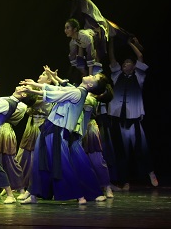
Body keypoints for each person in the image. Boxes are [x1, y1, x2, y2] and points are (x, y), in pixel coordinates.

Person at [20, 67, 111, 204]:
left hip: (58, 129)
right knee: (40, 161)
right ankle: (34, 194)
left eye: (93, 77)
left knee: (62, 163)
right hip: (51, 126)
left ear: (91, 84)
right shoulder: (77, 90)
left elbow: (56, 94)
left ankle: (80, 195)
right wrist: (35, 84)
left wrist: (32, 90)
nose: (90, 75)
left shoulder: (79, 93)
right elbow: (59, 88)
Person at [44, 0, 143, 70]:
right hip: (96, 23)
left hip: (95, 24)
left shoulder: (96, 35)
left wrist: (133, 42)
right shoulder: (108, 31)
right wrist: (133, 41)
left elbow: (123, 36)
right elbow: (124, 35)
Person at [108, 38, 158, 189]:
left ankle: (150, 172)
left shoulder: (139, 76)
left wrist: (130, 43)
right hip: (119, 119)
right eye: (124, 62)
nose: (125, 64)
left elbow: (140, 57)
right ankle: (125, 181)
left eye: (128, 62)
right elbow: (112, 59)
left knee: (141, 149)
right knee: (121, 153)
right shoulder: (117, 76)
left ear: (134, 66)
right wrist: (111, 43)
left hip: (134, 119)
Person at [15, 70, 54, 201]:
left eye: (43, 75)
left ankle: (33, 190)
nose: (40, 76)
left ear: (49, 80)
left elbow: (35, 104)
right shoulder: (35, 91)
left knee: (35, 159)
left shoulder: (47, 93)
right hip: (31, 126)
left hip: (41, 127)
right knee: (24, 156)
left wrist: (25, 95)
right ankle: (23, 186)